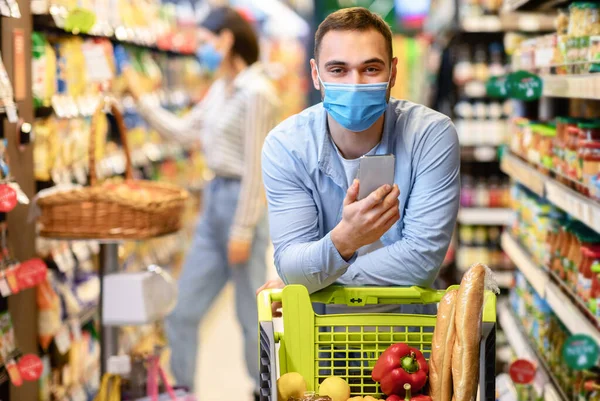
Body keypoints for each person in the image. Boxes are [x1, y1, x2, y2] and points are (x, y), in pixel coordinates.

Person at [124, 6, 279, 397]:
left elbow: (255, 168)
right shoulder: (221, 88)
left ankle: (263, 391)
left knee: (250, 316)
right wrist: (141, 101)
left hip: (242, 206)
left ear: (227, 40)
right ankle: (183, 390)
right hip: (213, 204)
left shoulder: (257, 92)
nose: (202, 51)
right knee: (181, 310)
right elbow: (182, 131)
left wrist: (243, 228)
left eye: (207, 43)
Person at [258, 7, 459, 299]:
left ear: (392, 73)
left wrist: (317, 278)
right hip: (319, 330)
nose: (354, 84)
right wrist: (346, 239)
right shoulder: (287, 146)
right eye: (338, 70)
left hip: (409, 328)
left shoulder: (430, 135)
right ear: (316, 75)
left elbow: (421, 261)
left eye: (371, 69)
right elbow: (290, 262)